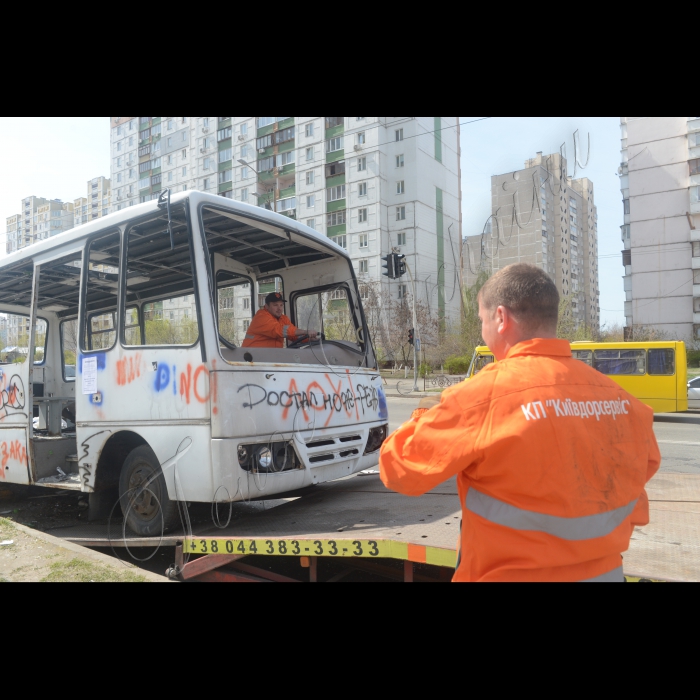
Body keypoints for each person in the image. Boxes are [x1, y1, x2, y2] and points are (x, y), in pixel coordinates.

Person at [380, 263, 661, 583]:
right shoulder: (622, 401)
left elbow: (398, 470)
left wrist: (424, 416)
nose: (483, 330)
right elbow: (644, 466)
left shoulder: (479, 398)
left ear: (501, 318)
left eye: (481, 320)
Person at [242, 293, 319, 349]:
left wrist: (309, 338)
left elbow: (293, 334)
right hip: (251, 358)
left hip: (270, 357)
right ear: (266, 306)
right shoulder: (261, 317)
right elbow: (278, 330)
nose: (279, 308)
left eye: (281, 305)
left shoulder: (283, 318)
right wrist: (305, 331)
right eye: (275, 305)